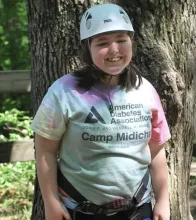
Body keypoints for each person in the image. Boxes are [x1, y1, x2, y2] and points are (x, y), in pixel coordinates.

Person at [31, 3, 171, 220]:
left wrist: (163, 200)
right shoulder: (64, 92)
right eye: (103, 43)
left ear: (131, 42)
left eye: (121, 40)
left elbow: (157, 150)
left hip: (137, 209)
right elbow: (45, 150)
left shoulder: (145, 90)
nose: (114, 49)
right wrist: (51, 202)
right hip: (79, 210)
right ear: (88, 48)